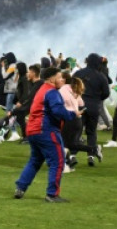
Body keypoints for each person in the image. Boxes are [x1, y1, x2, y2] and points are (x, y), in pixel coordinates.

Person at [13, 67, 76, 202]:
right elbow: (58, 111)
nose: (62, 80)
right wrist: (72, 114)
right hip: (46, 130)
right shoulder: (52, 92)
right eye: (60, 77)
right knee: (58, 162)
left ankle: (20, 188)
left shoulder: (42, 89)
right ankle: (52, 194)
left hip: (33, 130)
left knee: (35, 160)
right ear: (52, 79)